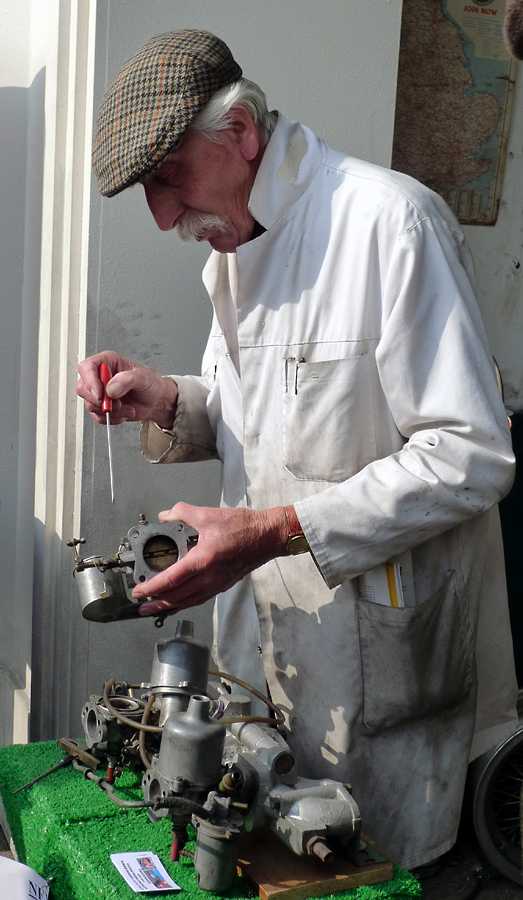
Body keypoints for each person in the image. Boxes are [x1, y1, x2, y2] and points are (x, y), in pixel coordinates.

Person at [77, 29, 518, 870]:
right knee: (272, 852)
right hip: (261, 649)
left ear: (240, 132)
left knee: (376, 872)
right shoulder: (235, 243)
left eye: (167, 178)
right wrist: (169, 397)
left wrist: (276, 530)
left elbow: (471, 453)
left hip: (376, 658)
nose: (163, 216)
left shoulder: (389, 222)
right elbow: (271, 419)